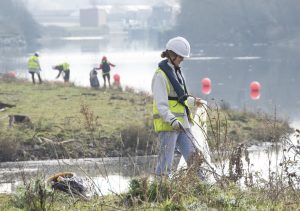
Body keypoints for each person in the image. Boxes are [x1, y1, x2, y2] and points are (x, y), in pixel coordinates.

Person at [151, 36, 205, 177]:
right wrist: (173, 121)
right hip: (169, 125)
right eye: (180, 58)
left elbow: (181, 98)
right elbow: (161, 105)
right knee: (165, 165)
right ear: (172, 55)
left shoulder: (177, 73)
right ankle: (159, 194)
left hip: (183, 124)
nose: (182, 61)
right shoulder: (160, 76)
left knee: (195, 159)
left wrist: (194, 102)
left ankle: (205, 188)